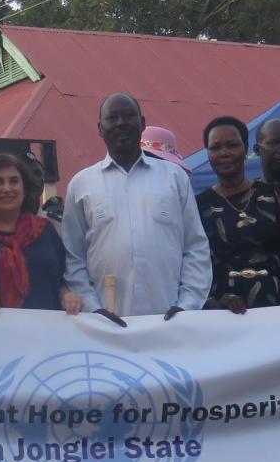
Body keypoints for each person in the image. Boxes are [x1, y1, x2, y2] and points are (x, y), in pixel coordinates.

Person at [62, 94, 211, 320]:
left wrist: (187, 305)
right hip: (105, 324)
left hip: (170, 321)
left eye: (128, 116)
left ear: (142, 124)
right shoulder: (81, 184)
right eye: (112, 118)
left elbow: (195, 246)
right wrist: (93, 309)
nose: (121, 123)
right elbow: (73, 257)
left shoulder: (174, 177)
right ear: (100, 128)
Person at [0, 153, 82, 315]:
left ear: (24, 189)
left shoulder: (45, 231)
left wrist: (68, 296)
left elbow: (60, 282)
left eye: (14, 181)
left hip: (45, 329)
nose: (7, 189)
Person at [198, 116, 280, 312]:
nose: (224, 153)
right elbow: (193, 266)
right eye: (215, 148)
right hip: (223, 312)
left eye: (232, 145)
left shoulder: (275, 195)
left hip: (277, 308)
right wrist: (211, 302)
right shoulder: (198, 206)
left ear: (245, 149)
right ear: (208, 154)